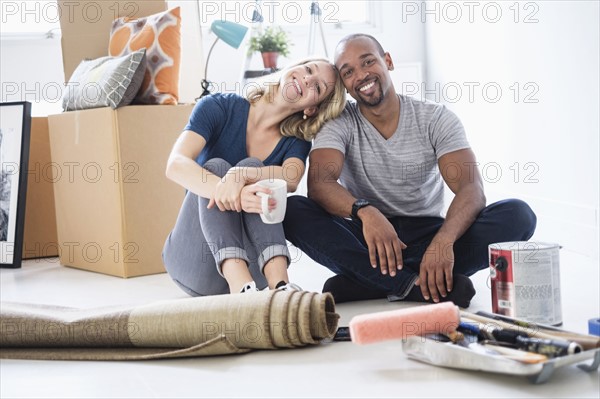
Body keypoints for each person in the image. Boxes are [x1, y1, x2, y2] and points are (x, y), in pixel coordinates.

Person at [283, 34, 537, 308]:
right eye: (348, 72)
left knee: (518, 215)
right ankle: (414, 285)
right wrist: (365, 212)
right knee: (293, 210)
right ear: (344, 83)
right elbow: (320, 184)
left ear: (387, 61)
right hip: (367, 238)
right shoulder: (339, 123)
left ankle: (368, 281)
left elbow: (471, 189)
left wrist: (443, 243)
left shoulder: (436, 118)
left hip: (429, 233)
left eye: (368, 61)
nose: (361, 75)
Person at [162, 57, 346, 296]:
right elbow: (175, 164)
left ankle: (280, 286)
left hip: (254, 271)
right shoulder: (219, 106)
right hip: (194, 260)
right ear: (292, 68)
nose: (308, 79)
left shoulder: (295, 141)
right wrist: (232, 190)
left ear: (311, 109)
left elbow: (291, 178)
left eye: (318, 87)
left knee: (253, 168)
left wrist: (243, 174)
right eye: (308, 69)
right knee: (217, 167)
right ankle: (239, 284)